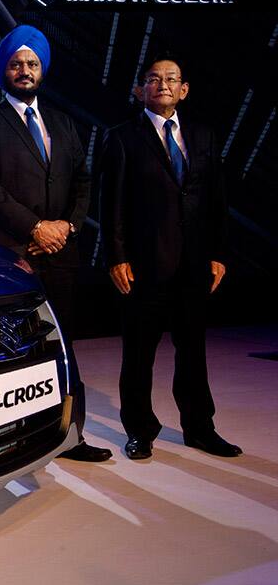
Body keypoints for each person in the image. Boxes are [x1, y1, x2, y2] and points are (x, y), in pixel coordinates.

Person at [0, 24, 111, 463]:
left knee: (63, 346)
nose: (24, 70)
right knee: (10, 351)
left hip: (61, 253)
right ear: (3, 71)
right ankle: (8, 441)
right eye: (16, 63)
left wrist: (66, 226)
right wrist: (36, 228)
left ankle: (72, 436)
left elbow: (83, 182)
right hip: (10, 254)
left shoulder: (63, 124)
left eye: (32, 63)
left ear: (42, 70)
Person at [99, 51, 241, 459]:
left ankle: (200, 428)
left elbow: (216, 200)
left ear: (184, 90)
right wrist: (116, 256)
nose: (163, 84)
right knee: (139, 355)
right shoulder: (122, 137)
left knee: (193, 352)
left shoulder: (204, 136)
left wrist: (218, 253)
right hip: (143, 266)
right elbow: (112, 204)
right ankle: (140, 430)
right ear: (139, 89)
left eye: (172, 78)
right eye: (154, 78)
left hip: (195, 265)